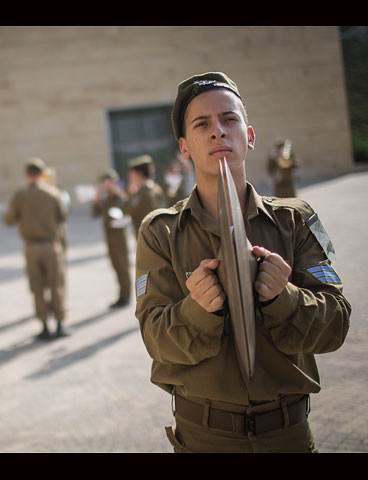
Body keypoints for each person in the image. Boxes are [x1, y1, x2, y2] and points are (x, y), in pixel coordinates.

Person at [134, 72, 351, 453]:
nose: (218, 131)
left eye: (229, 119)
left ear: (249, 136)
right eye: (202, 124)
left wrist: (284, 298)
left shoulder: (294, 221)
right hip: (204, 438)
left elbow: (335, 324)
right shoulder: (162, 233)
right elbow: (156, 340)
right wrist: (198, 310)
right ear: (184, 147)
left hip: (288, 436)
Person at [5, 158, 68, 339]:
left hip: (31, 247)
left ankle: (44, 326)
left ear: (26, 175)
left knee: (37, 286)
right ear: (42, 174)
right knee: (56, 285)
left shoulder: (20, 195)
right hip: (51, 246)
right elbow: (63, 217)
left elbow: (9, 220)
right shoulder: (53, 193)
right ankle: (59, 324)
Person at [91, 169, 131, 308]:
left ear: (115, 183)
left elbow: (127, 213)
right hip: (109, 236)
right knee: (115, 266)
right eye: (104, 183)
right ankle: (121, 294)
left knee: (122, 266)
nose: (106, 186)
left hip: (119, 236)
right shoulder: (105, 199)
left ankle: (126, 295)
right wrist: (95, 200)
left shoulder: (120, 197)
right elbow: (95, 214)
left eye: (109, 182)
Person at [124, 155, 166, 237]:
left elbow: (128, 211)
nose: (130, 177)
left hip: (147, 239)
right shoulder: (156, 189)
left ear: (139, 173)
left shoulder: (143, 193)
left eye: (132, 174)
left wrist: (131, 195)